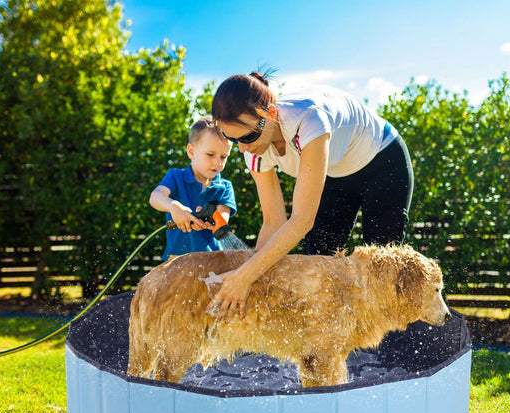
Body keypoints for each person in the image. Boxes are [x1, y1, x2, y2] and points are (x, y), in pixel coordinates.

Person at [208, 71, 414, 318]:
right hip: (336, 173)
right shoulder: (251, 149)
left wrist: (244, 276)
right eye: (232, 139)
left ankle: (393, 346)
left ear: (270, 114)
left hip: (382, 159)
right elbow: (274, 222)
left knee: (382, 264)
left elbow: (302, 220)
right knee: (317, 255)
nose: (242, 147)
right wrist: (251, 281)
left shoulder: (309, 119)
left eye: (247, 137)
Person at [149, 115, 237, 260]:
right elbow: (156, 197)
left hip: (213, 263)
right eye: (210, 154)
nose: (218, 162)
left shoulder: (225, 187)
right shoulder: (176, 177)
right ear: (191, 151)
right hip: (176, 261)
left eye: (223, 157)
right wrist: (173, 206)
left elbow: (223, 217)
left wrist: (210, 219)